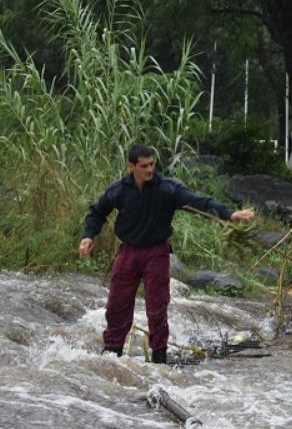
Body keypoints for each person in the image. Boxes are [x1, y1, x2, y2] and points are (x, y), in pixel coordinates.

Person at [79, 144, 254, 363]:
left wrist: (229, 214)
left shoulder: (168, 189)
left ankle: (159, 357)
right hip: (128, 251)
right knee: (116, 305)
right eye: (144, 166)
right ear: (131, 167)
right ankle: (112, 353)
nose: (150, 169)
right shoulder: (119, 190)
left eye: (152, 164)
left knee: (157, 306)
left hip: (156, 252)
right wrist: (88, 236)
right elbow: (97, 212)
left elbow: (199, 202)